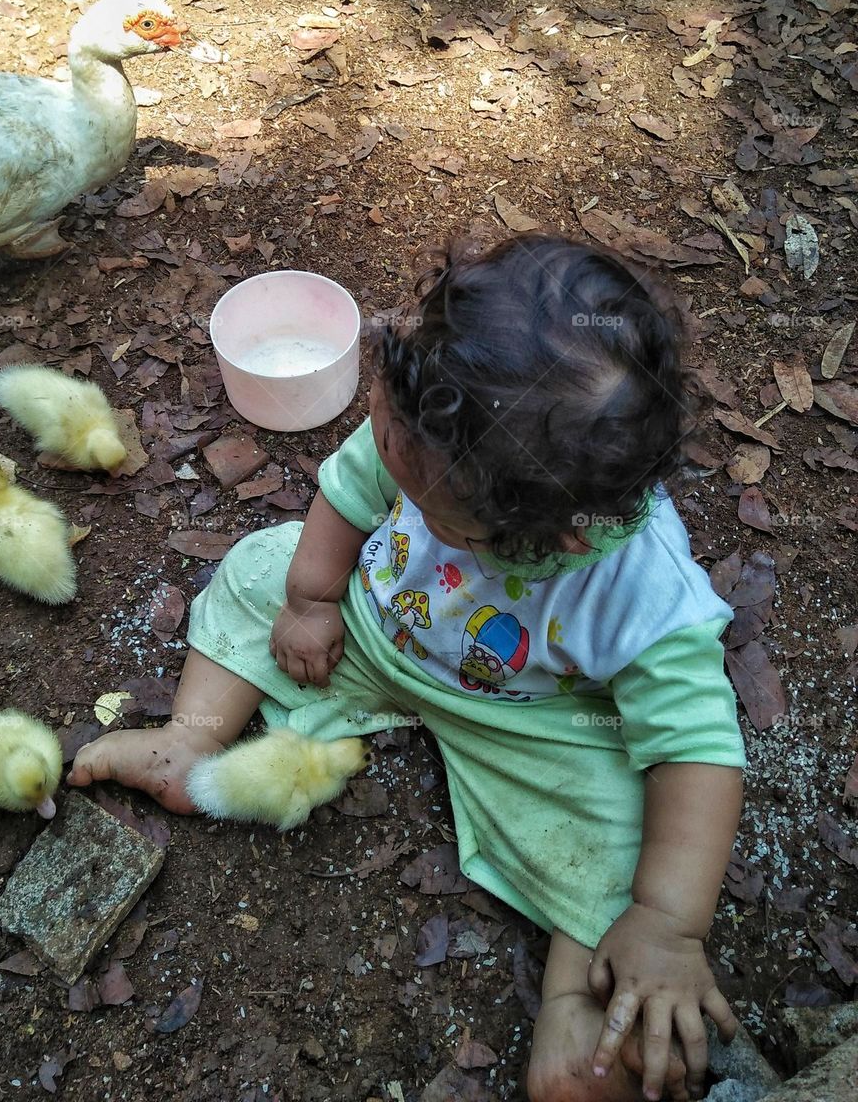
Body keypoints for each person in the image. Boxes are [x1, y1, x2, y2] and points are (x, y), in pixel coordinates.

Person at [69, 235, 745, 1102]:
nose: (378, 443)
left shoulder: (642, 590)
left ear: (554, 538)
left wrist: (668, 919)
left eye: (414, 478)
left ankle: (578, 1006)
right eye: (387, 429)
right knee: (256, 571)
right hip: (376, 627)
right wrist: (312, 601)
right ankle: (191, 738)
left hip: (531, 716)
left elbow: (697, 751)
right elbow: (349, 493)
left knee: (623, 829)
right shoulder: (426, 419)